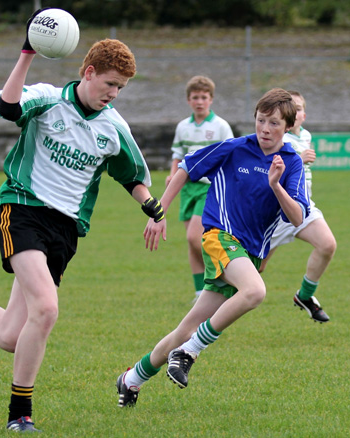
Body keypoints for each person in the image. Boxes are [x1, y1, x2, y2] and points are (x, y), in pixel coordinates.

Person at [0, 9, 166, 433]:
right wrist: (28, 50)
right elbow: (9, 107)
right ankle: (20, 415)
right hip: (23, 209)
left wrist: (149, 205)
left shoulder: (113, 127)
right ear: (87, 72)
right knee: (45, 310)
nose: (114, 94)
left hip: (64, 231)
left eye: (121, 88)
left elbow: (131, 173)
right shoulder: (48, 98)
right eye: (109, 84)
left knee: (12, 335)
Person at [116, 88, 310, 408]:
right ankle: (190, 352)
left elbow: (297, 216)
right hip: (220, 237)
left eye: (274, 123)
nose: (265, 128)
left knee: (186, 328)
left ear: (288, 127)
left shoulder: (291, 163)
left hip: (248, 252)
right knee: (255, 291)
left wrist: (276, 185)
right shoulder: (235, 147)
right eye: (261, 120)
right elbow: (186, 168)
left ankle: (132, 378)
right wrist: (158, 212)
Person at [259, 91, 336, 323]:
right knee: (256, 268)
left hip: (304, 207)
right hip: (279, 212)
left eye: (300, 108)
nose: (297, 112)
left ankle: (305, 296)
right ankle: (213, 303)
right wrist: (298, 160)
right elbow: (268, 173)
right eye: (292, 108)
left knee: (327, 245)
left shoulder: (306, 135)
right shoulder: (277, 137)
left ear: (304, 115)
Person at [167, 76, 234, 302]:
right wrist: (172, 174)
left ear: (211, 100)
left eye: (204, 97)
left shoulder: (221, 126)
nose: (199, 101)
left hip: (210, 188)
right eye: (195, 97)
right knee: (190, 240)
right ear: (188, 100)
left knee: (195, 237)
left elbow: (230, 155)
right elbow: (177, 155)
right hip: (188, 189)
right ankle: (199, 292)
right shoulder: (183, 127)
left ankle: (222, 274)